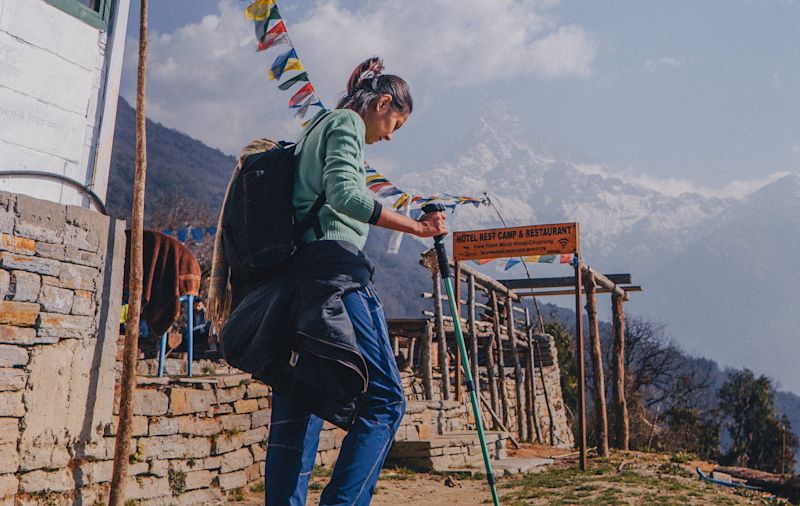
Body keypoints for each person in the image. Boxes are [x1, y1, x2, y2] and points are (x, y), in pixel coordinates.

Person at [264, 57, 448, 505]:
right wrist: (418, 228)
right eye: (396, 123)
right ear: (383, 102)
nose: (389, 135)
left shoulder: (317, 127)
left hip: (297, 277)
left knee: (301, 395)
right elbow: (346, 195)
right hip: (336, 273)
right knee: (386, 401)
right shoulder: (345, 123)